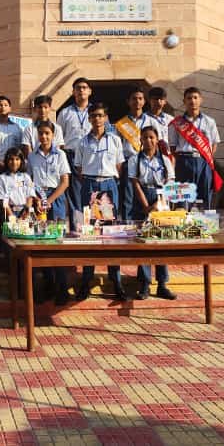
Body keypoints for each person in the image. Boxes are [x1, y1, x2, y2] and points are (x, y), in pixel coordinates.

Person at [74, 102, 128, 302]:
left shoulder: (115, 140)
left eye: (100, 115)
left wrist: (106, 184)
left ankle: (116, 281)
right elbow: (79, 170)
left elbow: (119, 167)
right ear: (89, 118)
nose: (97, 119)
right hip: (89, 187)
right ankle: (86, 281)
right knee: (89, 234)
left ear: (106, 118)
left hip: (108, 187)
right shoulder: (82, 142)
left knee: (111, 235)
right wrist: (92, 185)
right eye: (93, 116)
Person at [128, 126, 177, 300]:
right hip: (142, 198)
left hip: (161, 198)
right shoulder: (135, 160)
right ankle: (144, 284)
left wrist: (159, 202)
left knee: (161, 241)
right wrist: (146, 207)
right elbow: (135, 183)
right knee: (143, 243)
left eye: (151, 137)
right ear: (140, 140)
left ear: (157, 139)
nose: (148, 140)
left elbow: (170, 183)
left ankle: (162, 284)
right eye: (145, 137)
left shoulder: (165, 160)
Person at [27, 121, 71, 305]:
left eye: (47, 133)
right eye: (41, 133)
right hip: (38, 199)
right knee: (41, 242)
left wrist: (49, 201)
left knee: (57, 242)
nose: (44, 137)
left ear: (53, 135)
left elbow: (65, 182)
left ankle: (62, 287)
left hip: (56, 199)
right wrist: (37, 200)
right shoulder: (31, 157)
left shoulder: (60, 155)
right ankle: (48, 285)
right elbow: (28, 180)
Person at [168, 87, 222, 209]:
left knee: (205, 196)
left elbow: (214, 144)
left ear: (201, 100)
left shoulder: (209, 121)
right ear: (184, 101)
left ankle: (207, 225)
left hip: (204, 161)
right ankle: (183, 224)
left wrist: (207, 159)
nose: (192, 101)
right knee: (183, 197)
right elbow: (172, 146)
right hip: (184, 162)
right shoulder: (176, 123)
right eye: (189, 98)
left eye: (195, 97)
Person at [114, 85, 158, 221]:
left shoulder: (151, 121)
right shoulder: (121, 123)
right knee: (128, 196)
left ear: (144, 101)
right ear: (128, 101)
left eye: (140, 98)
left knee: (148, 194)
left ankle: (149, 224)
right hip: (128, 162)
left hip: (147, 162)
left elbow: (158, 143)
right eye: (134, 99)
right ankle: (127, 225)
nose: (137, 101)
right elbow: (117, 147)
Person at [56, 77, 93, 217]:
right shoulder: (65, 113)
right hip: (71, 155)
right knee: (74, 193)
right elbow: (59, 138)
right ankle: (77, 227)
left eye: (84, 87)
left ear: (90, 91)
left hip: (91, 156)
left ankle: (93, 226)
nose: (81, 90)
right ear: (73, 92)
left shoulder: (97, 112)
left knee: (92, 192)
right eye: (78, 88)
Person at [0, 147, 36, 221]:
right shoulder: (2, 178)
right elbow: (2, 200)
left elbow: (30, 196)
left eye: (17, 159)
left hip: (25, 211)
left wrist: (25, 214)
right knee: (11, 232)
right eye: (11, 159)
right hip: (9, 212)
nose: (14, 162)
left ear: (21, 161)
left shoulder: (26, 177)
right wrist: (11, 216)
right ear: (7, 161)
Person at [0, 95, 24, 163]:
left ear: (10, 108)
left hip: (14, 165)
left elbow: (21, 148)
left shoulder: (17, 128)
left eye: (6, 105)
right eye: (0, 105)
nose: (3, 107)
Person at [147, 86, 176, 162]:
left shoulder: (171, 119)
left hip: (168, 157)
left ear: (165, 101)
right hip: (149, 157)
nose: (158, 101)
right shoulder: (143, 118)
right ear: (150, 100)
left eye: (161, 99)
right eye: (155, 99)